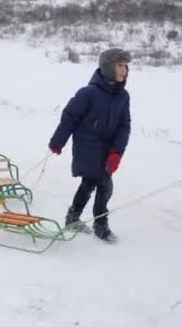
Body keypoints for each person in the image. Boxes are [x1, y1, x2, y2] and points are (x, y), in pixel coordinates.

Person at [48, 48, 132, 243]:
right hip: (87, 147)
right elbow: (69, 118)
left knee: (90, 183)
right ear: (108, 67)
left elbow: (124, 126)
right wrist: (57, 142)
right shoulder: (88, 93)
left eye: (125, 66)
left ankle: (72, 217)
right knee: (105, 185)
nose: (124, 70)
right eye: (119, 65)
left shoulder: (123, 96)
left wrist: (116, 152)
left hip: (107, 149)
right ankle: (100, 225)